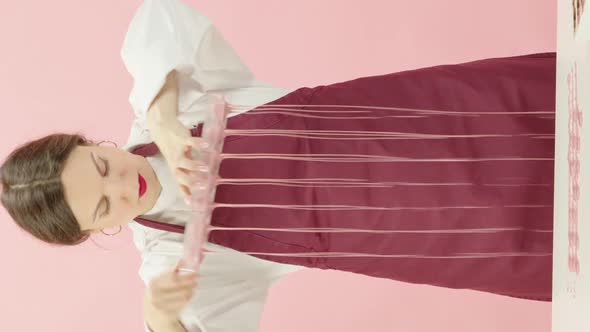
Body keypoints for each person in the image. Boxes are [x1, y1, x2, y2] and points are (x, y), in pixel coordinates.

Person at [0, 0, 556, 331]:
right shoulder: (171, 259)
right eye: (104, 206)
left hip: (423, 118)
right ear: (97, 232)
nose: (124, 183)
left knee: (542, 109)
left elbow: (157, 15)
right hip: (441, 232)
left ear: (95, 143)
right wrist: (161, 318)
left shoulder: (175, 102)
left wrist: (165, 119)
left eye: (101, 165)